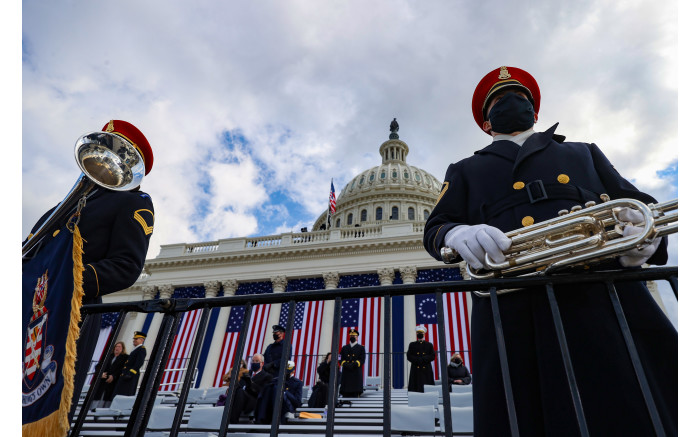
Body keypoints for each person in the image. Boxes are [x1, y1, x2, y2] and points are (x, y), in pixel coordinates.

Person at [423, 65, 677, 436]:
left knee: (629, 411)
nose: (510, 103)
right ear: (486, 122)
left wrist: (643, 239)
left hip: (602, 299)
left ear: (535, 111)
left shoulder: (584, 153)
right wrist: (456, 232)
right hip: (513, 312)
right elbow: (436, 227)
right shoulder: (465, 170)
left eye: (520, 97)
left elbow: (639, 205)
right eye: (498, 100)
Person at [23, 120, 155, 421]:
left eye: (113, 157)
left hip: (70, 314)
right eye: (100, 153)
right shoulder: (60, 206)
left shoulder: (134, 201)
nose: (103, 163)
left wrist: (60, 280)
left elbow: (126, 266)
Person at [226, 354, 273, 423]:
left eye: (257, 361)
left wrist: (251, 384)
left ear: (262, 363)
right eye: (253, 361)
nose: (254, 363)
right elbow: (240, 385)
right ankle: (227, 419)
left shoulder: (267, 376)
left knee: (240, 392)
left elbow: (262, 392)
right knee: (237, 391)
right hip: (240, 397)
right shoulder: (247, 374)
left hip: (253, 400)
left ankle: (232, 421)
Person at [254, 360, 303, 424]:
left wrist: (284, 392)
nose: (285, 373)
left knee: (277, 390)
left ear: (293, 371)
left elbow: (297, 402)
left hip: (287, 406)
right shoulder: (275, 380)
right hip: (272, 405)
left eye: (288, 372)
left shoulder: (297, 383)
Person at [90, 341, 129, 409]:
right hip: (103, 380)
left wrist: (114, 376)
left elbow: (122, 369)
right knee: (98, 396)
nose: (117, 348)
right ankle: (93, 409)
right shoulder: (108, 356)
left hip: (113, 382)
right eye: (116, 346)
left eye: (119, 347)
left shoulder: (125, 358)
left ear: (122, 349)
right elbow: (98, 366)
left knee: (108, 398)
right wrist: (100, 373)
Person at [112, 331, 148, 397]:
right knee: (119, 393)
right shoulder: (136, 349)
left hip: (130, 376)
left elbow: (139, 363)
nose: (134, 340)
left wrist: (130, 373)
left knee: (125, 394)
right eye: (134, 339)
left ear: (142, 340)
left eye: (136, 339)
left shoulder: (141, 349)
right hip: (125, 374)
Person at [406, 326, 435, 392]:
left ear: (424, 334)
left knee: (427, 387)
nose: (420, 334)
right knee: (415, 387)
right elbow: (409, 356)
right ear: (416, 334)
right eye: (418, 333)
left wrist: (423, 359)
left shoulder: (429, 345)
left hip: (426, 368)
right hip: (416, 368)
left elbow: (432, 356)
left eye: (421, 333)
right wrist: (417, 359)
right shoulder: (412, 344)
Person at [338, 329, 365, 398]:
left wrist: (355, 364)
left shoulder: (361, 348)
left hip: (356, 371)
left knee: (355, 393)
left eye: (354, 336)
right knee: (345, 393)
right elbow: (340, 358)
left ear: (357, 337)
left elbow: (362, 359)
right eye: (351, 336)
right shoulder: (344, 348)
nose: (353, 337)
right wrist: (344, 364)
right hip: (346, 371)